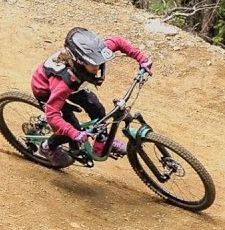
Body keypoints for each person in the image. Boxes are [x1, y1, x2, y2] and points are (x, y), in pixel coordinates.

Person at [30, 27, 152, 168]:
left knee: (97, 108)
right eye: (92, 64)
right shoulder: (64, 82)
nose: (97, 67)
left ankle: (102, 140)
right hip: (47, 91)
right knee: (71, 127)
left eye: (98, 62)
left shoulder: (93, 54)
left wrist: (142, 58)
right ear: (79, 62)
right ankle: (47, 147)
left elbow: (117, 41)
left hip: (74, 87)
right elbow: (52, 115)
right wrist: (74, 133)